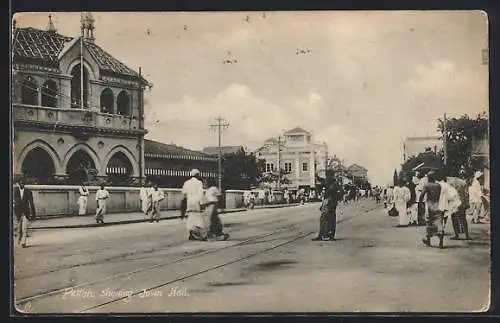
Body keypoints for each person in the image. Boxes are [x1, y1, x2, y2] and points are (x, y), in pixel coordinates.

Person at [312, 174, 342, 241]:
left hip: (329, 203)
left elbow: (322, 181)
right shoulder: (333, 184)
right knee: (327, 220)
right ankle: (328, 235)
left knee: (326, 220)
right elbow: (322, 181)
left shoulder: (332, 185)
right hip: (330, 203)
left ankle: (324, 235)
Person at [419, 171, 445, 249]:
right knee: (439, 223)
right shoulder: (438, 185)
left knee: (429, 223)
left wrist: (421, 203)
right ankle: (441, 241)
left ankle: (428, 240)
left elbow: (422, 195)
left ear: (428, 178)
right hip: (438, 205)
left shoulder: (427, 185)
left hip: (430, 205)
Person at [182, 169, 208, 241]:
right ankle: (201, 235)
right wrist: (202, 203)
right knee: (198, 218)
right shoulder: (199, 183)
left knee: (191, 217)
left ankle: (192, 234)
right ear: (197, 175)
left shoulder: (187, 182)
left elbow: (184, 192)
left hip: (189, 201)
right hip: (196, 201)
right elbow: (201, 193)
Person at [13, 179, 36, 248]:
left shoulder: (28, 191)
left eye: (23, 183)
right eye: (20, 183)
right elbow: (15, 199)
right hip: (18, 212)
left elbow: (31, 202)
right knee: (19, 228)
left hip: (26, 212)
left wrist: (33, 212)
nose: (22, 184)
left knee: (24, 228)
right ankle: (19, 240)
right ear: (18, 183)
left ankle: (23, 242)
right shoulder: (15, 190)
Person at [446, 176, 471, 240]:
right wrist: (467, 203)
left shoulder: (449, 182)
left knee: (454, 219)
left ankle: (456, 235)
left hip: (453, 203)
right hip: (461, 202)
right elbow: (466, 194)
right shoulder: (463, 182)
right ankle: (467, 235)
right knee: (463, 218)